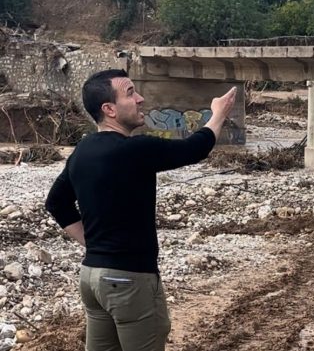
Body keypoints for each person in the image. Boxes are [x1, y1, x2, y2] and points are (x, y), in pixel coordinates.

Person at [45, 69, 236, 351]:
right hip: (128, 280)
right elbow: (194, 148)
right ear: (109, 109)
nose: (141, 99)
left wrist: (95, 246)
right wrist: (218, 113)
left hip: (92, 278)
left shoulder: (82, 151)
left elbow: (56, 203)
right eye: (131, 93)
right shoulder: (134, 149)